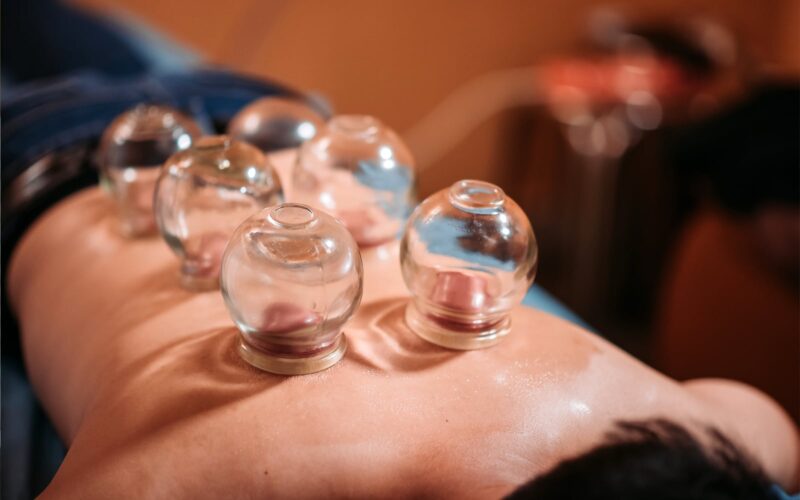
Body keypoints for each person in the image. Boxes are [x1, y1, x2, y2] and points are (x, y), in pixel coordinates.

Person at [7, 151, 798, 498]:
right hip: (70, 158)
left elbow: (772, 433)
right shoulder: (219, 465)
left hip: (94, 178)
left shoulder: (684, 433)